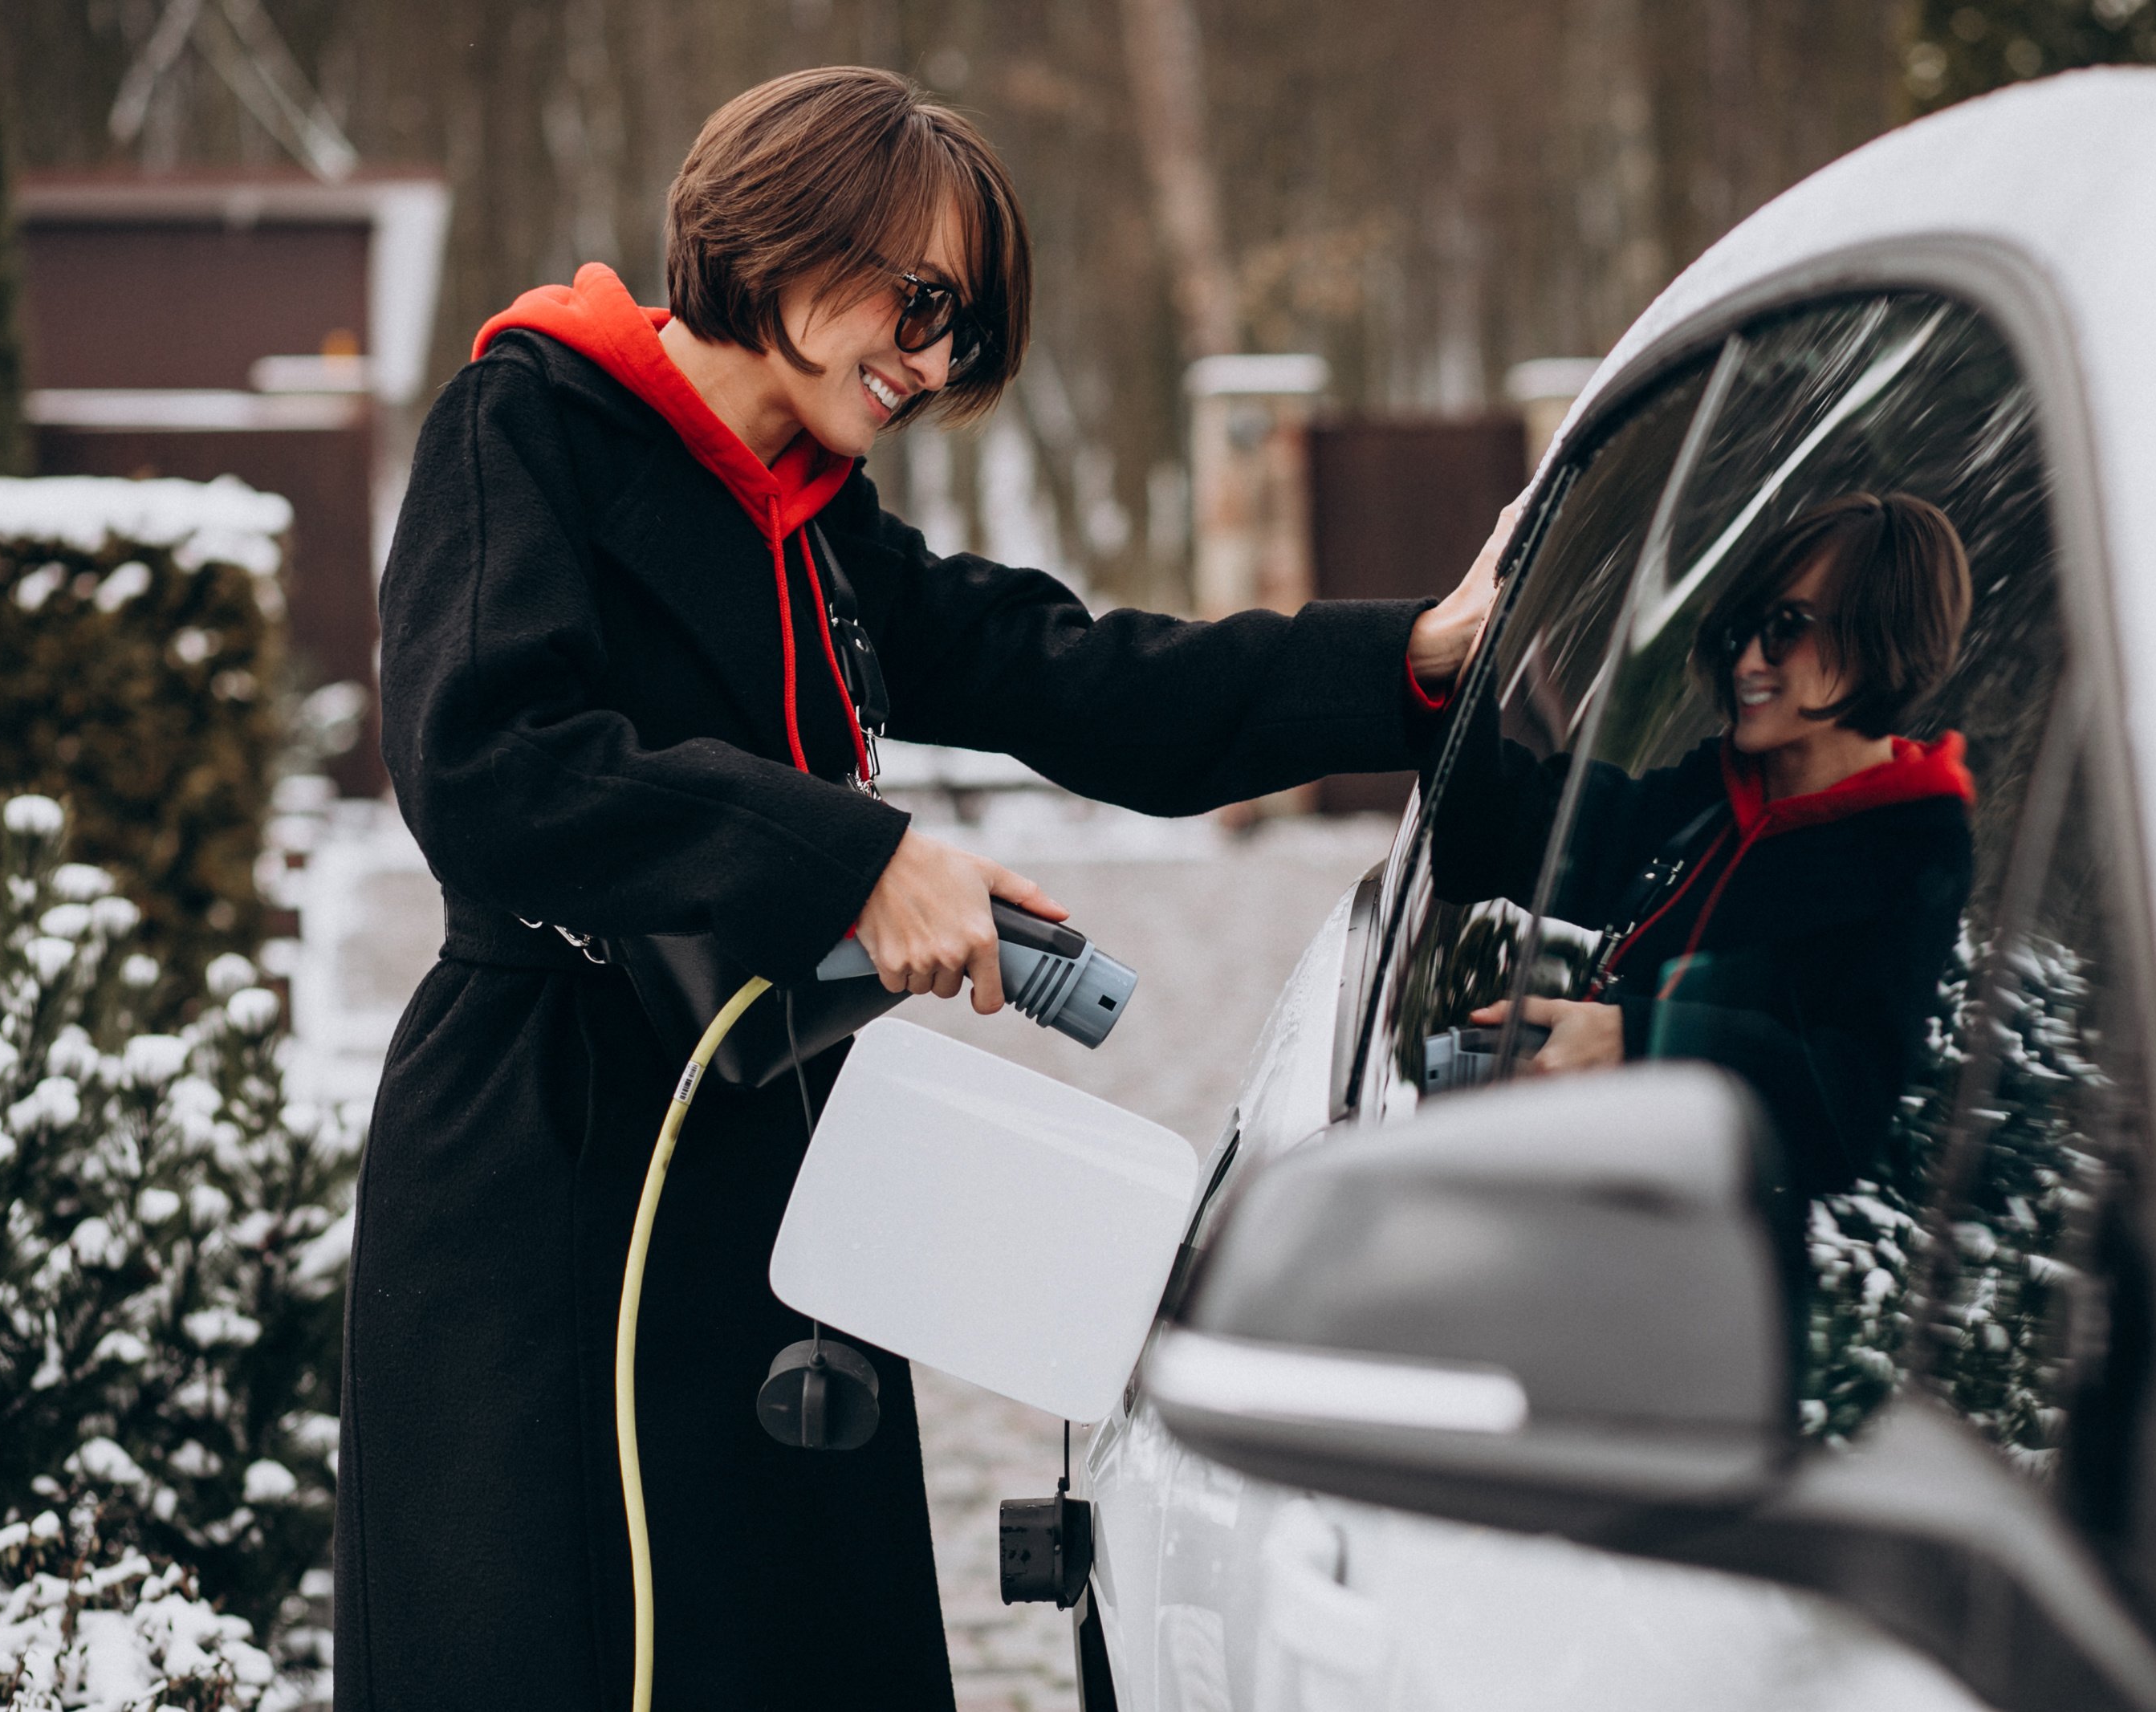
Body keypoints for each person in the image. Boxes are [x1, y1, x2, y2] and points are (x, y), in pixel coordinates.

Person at [336, 67, 1500, 1712]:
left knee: (801, 1639)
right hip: (550, 1173)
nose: (937, 359)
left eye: (964, 327)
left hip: (769, 1161)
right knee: (570, 1646)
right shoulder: (523, 422)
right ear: (788, 235)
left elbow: (1079, 679)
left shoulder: (815, 525)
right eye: (923, 301)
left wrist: (1404, 666)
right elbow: (486, 765)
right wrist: (856, 856)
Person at [1440, 492, 1975, 1198]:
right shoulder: (1716, 795)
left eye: (1787, 629)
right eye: (1741, 630)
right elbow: (1499, 832)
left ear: (1879, 639)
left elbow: (1850, 1106)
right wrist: (1444, 652)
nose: (1749, 660)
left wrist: (1637, 1037)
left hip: (1727, 1271)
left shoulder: (1914, 849)